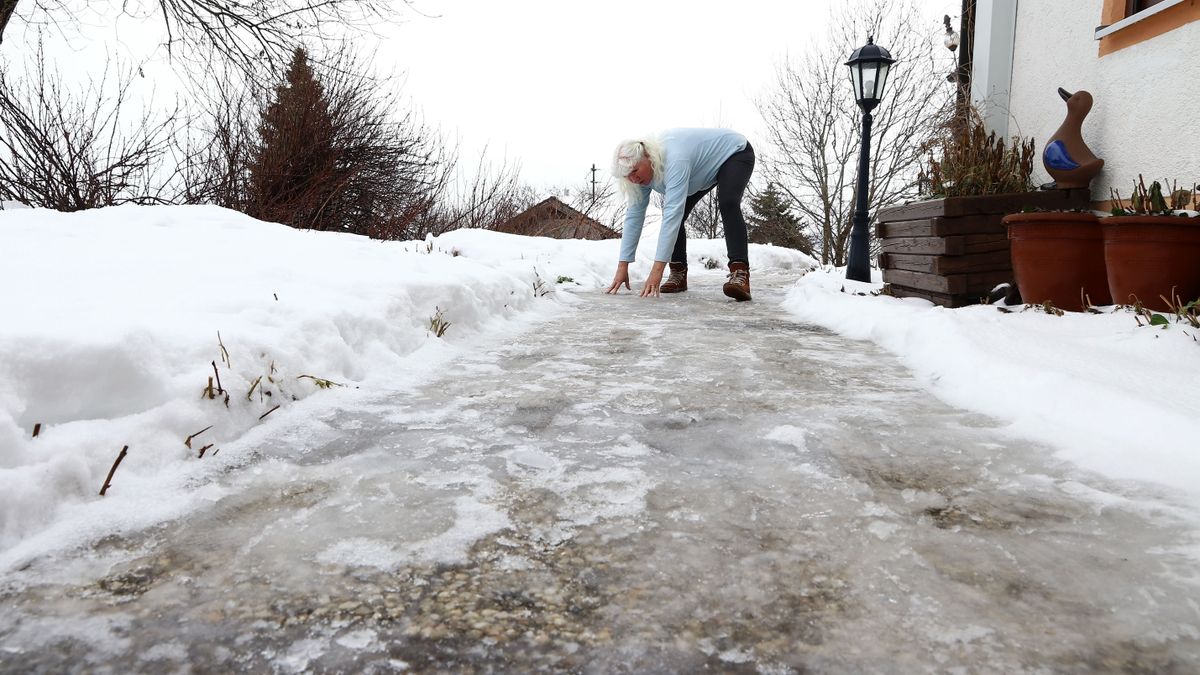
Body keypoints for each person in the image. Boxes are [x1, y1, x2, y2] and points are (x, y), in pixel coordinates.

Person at [605, 128, 755, 301]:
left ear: (647, 156)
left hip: (734, 153)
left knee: (727, 202)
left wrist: (657, 271)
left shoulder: (675, 158)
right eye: (627, 176)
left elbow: (672, 214)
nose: (633, 179)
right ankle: (678, 273)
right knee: (676, 214)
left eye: (635, 171)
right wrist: (622, 266)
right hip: (700, 172)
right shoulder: (638, 176)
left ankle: (740, 273)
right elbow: (634, 217)